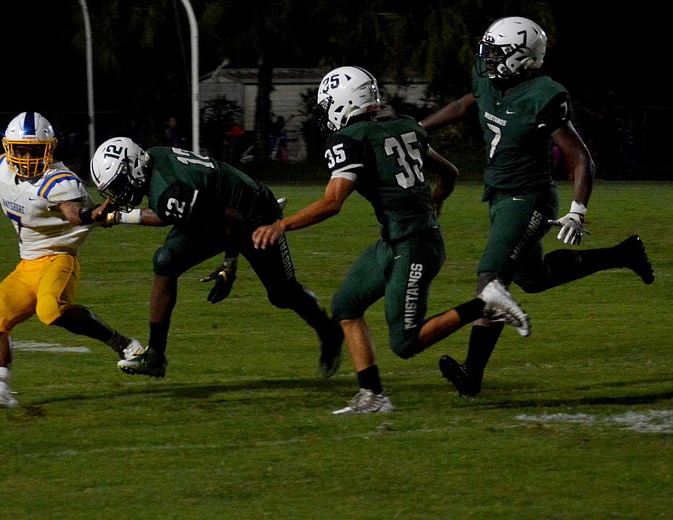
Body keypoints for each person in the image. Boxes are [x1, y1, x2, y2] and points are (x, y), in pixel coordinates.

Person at [252, 66, 530, 414]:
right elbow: (450, 172)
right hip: (398, 239)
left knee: (405, 342)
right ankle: (372, 395)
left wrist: (282, 226)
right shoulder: (404, 124)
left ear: (342, 103)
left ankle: (486, 303)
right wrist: (436, 199)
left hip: (413, 246)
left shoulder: (351, 138)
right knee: (345, 306)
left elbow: (332, 202)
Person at [418, 17, 655, 397]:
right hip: (498, 194)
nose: (488, 58)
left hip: (528, 198)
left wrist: (578, 208)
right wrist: (421, 127)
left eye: (497, 52)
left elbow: (581, 158)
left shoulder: (543, 94)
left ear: (520, 58)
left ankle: (472, 373)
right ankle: (623, 254)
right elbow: (468, 103)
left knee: (492, 280)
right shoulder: (490, 80)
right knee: (535, 278)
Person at [0, 111, 144, 411]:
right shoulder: (0, 169)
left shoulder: (60, 181)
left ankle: (124, 343)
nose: (25, 156)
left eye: (34, 150)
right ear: (8, 147)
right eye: (20, 149)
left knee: (51, 310)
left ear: (48, 149)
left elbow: (74, 214)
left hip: (59, 258)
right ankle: (0, 392)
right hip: (27, 264)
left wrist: (96, 213)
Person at [88, 136, 344, 379]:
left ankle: (329, 332)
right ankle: (155, 356)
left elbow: (230, 219)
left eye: (119, 185)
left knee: (282, 294)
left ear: (133, 166)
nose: (119, 195)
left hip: (253, 215)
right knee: (165, 261)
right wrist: (117, 215)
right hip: (217, 213)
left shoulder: (167, 190)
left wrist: (229, 265)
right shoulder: (154, 158)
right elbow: (170, 211)